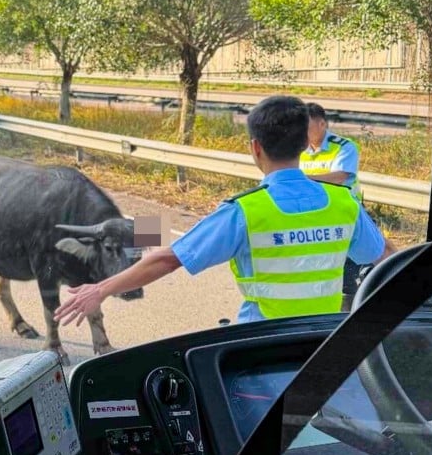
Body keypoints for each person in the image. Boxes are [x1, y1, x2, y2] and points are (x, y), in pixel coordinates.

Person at [53, 95, 396, 327]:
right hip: (321, 344)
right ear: (305, 144)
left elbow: (169, 259)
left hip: (260, 348)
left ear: (255, 148)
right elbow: (386, 257)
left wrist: (100, 289)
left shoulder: (245, 211)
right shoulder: (344, 204)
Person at [300, 103, 383, 309]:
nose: (303, 131)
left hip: (346, 213)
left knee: (351, 265)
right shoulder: (299, 150)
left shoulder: (344, 147)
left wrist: (303, 179)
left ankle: (351, 307)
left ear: (322, 124)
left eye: (307, 126)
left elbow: (339, 177)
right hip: (314, 215)